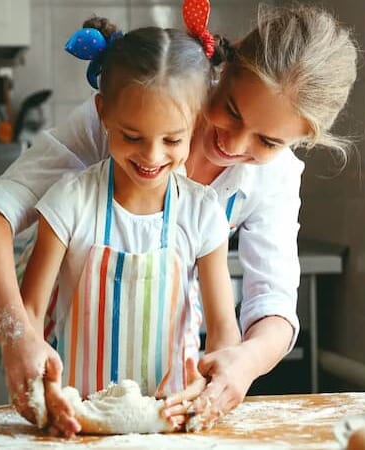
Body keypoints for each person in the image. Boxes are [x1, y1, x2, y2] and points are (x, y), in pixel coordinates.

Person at [0, 0, 357, 435]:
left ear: (300, 140)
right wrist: (18, 336)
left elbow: (273, 302)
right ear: (222, 72)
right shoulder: (128, 115)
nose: (233, 143)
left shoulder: (273, 179)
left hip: (162, 399)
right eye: (231, 109)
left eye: (267, 140)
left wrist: (243, 363)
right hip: (49, 372)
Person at [16, 15, 241, 436]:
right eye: (132, 136)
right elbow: (28, 314)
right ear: (103, 113)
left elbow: (224, 328)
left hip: (173, 422)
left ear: (197, 124)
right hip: (78, 422)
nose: (152, 156)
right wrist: (43, 385)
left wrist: (212, 385)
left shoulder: (201, 212)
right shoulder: (71, 202)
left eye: (173, 140)